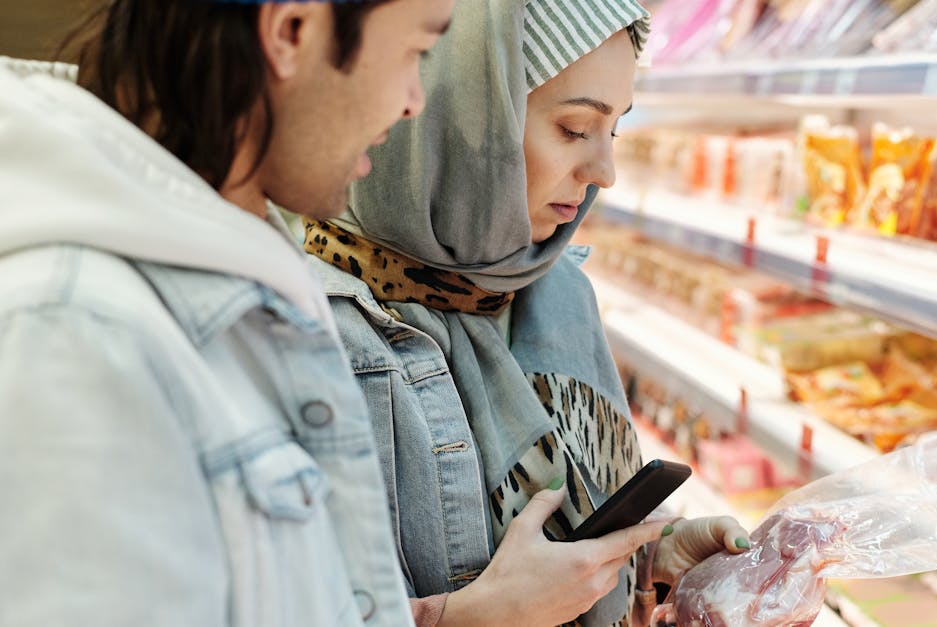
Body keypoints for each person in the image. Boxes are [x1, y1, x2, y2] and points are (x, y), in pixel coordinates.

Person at [0, 1, 452, 625]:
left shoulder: (234, 270)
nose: (413, 100)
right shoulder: (73, 336)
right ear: (290, 30)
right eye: (415, 51)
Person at [304, 2, 751, 625]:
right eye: (574, 129)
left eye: (614, 129)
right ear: (460, 118)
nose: (606, 173)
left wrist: (652, 558)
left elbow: (572, 538)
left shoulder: (557, 290)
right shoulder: (302, 329)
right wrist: (471, 618)